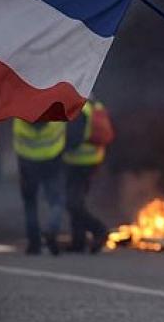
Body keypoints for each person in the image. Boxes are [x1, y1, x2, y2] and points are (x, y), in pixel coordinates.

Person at [62, 95, 110, 253]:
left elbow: (74, 139)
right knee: (77, 201)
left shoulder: (79, 109)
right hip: (92, 159)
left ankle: (99, 230)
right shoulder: (95, 105)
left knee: (72, 203)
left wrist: (58, 150)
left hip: (78, 162)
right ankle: (78, 241)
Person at [13, 118, 66, 255]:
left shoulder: (19, 121)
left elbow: (18, 145)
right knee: (56, 201)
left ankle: (34, 244)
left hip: (28, 166)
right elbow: (64, 138)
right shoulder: (56, 119)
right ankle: (51, 229)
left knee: (30, 205)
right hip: (52, 163)